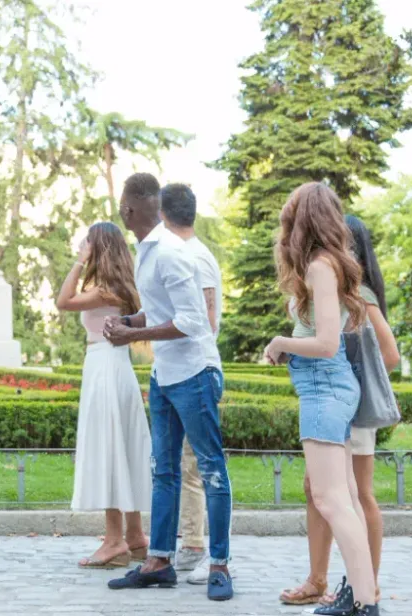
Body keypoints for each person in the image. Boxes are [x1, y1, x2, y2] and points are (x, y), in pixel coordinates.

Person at [103, 173, 234, 602]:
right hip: (165, 377)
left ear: (130, 208)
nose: (121, 209)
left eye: (123, 204)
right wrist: (129, 322)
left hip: (195, 375)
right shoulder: (147, 251)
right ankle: (158, 562)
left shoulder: (173, 254)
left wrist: (133, 337)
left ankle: (219, 566)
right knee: (164, 471)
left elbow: (195, 321)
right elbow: (159, 309)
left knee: (211, 469)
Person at [263, 183, 378, 616]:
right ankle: (360, 596)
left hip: (324, 386)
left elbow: (327, 343)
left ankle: (365, 603)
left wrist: (281, 342)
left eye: (289, 214)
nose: (284, 223)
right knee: (341, 496)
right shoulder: (328, 264)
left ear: (304, 218)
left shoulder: (319, 267)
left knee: (331, 500)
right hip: (329, 385)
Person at [280, 214, 399, 613]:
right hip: (343, 393)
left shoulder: (349, 286)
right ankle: (346, 586)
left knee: (351, 498)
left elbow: (389, 354)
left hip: (344, 395)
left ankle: (364, 591)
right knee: (333, 495)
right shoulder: (339, 277)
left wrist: (353, 380)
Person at [55, 221, 151, 569]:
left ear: (98, 247)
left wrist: (80, 260)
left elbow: (63, 301)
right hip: (115, 366)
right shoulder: (120, 285)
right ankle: (136, 536)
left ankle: (114, 542)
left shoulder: (105, 288)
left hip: (104, 366)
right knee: (121, 447)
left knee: (110, 449)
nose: (83, 245)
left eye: (88, 242)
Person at [159, 183, 223, 583]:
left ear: (163, 215)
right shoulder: (189, 253)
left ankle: (202, 548)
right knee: (186, 464)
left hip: (196, 369)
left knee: (199, 465)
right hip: (182, 369)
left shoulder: (195, 257)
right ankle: (192, 543)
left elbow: (209, 316)